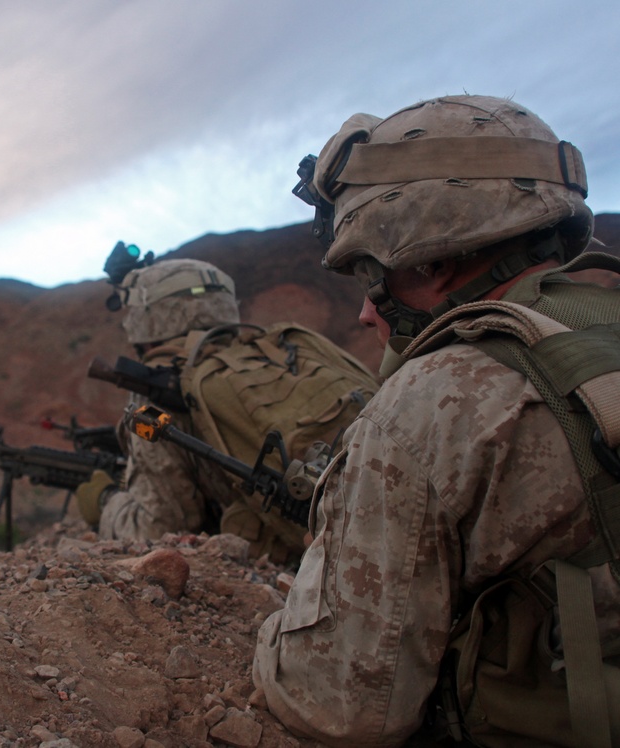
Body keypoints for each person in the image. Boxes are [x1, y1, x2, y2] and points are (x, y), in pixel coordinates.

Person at [252, 94, 620, 746]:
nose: (369, 315)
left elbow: (337, 708)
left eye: (376, 277)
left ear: (435, 257)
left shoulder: (429, 407)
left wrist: (266, 631)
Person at [76, 256, 312, 565]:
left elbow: (159, 530)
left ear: (146, 320)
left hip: (297, 562)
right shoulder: (282, 355)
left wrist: (106, 502)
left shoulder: (163, 391)